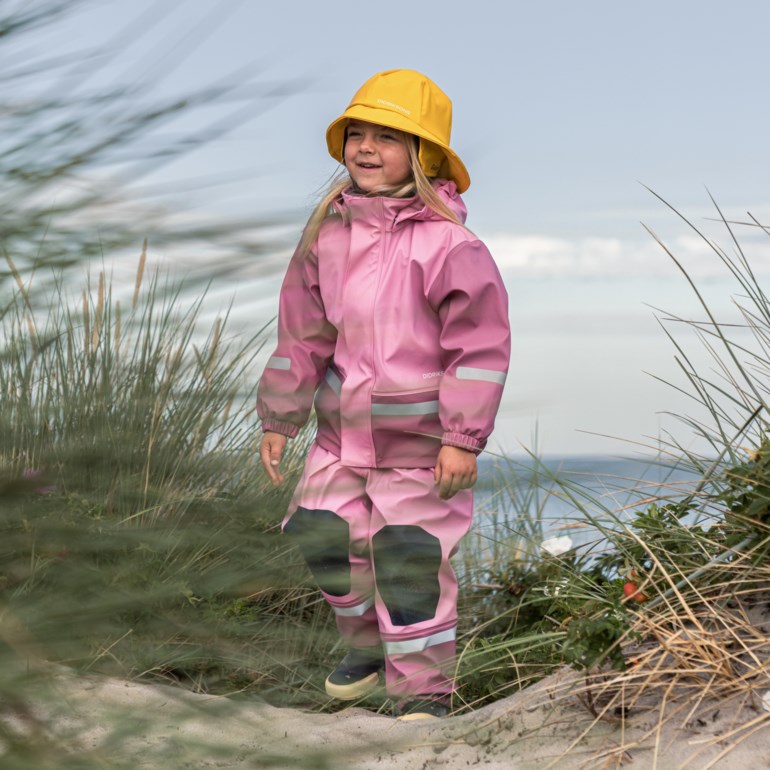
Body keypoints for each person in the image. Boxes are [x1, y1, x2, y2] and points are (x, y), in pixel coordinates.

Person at [257, 69, 510, 720]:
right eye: (356, 134)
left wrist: (462, 438)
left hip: (420, 444)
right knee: (319, 530)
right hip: (340, 436)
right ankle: (365, 645)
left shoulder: (452, 246)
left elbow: (478, 350)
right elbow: (303, 332)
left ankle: (423, 693)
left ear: (424, 155)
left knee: (407, 558)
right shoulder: (328, 236)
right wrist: (282, 414)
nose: (366, 148)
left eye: (388, 137)